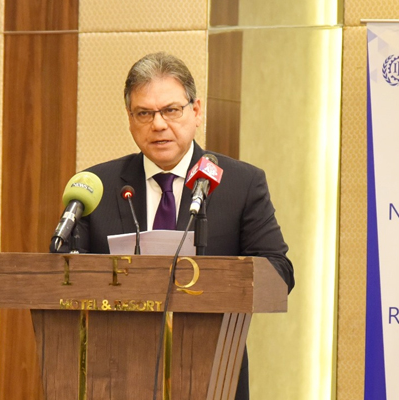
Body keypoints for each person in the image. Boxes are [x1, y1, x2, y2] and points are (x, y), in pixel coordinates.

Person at [73, 52, 294, 400]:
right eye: (144, 113)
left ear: (196, 111)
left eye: (171, 110)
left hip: (213, 373)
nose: (158, 124)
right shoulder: (96, 186)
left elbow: (279, 273)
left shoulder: (240, 184)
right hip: (116, 375)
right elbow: (66, 275)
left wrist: (212, 279)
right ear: (130, 120)